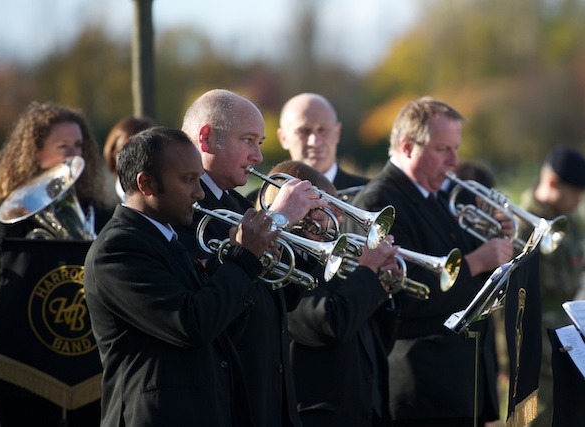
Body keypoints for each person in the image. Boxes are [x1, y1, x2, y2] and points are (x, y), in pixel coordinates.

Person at [84, 126, 279, 426]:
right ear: (146, 184)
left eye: (200, 179)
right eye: (188, 180)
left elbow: (219, 328)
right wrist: (243, 260)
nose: (200, 193)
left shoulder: (166, 237)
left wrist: (254, 271)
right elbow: (191, 323)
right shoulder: (118, 248)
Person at [349, 96, 515, 427]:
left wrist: (493, 237)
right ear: (408, 147)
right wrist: (475, 262)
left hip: (457, 380)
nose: (455, 161)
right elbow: (401, 295)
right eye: (443, 150)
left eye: (456, 148)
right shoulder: (380, 201)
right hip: (422, 386)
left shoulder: (434, 195)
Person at [180, 89, 329, 427]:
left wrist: (310, 237)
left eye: (260, 142)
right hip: (227, 402)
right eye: (248, 140)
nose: (258, 156)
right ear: (206, 138)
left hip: (268, 398)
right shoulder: (185, 208)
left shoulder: (238, 204)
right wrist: (278, 217)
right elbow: (214, 301)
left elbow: (279, 296)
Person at [0, 101, 110, 426]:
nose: (74, 155)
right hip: (24, 359)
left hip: (89, 359)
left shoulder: (100, 212)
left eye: (79, 145)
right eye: (63, 147)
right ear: (35, 153)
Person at [262, 160, 401, 426]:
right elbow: (328, 323)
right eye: (327, 205)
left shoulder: (331, 259)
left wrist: (382, 287)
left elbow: (374, 339)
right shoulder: (281, 264)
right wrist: (368, 271)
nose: (338, 215)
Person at [519, 144, 585, 427]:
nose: (578, 201)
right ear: (552, 182)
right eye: (575, 193)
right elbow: (509, 298)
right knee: (534, 417)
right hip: (534, 343)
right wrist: (507, 358)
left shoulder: (570, 222)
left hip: (567, 338)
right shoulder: (523, 223)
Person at [102, 115, 155, 202]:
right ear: (112, 153)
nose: (132, 158)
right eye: (124, 151)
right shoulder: (102, 206)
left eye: (141, 152)